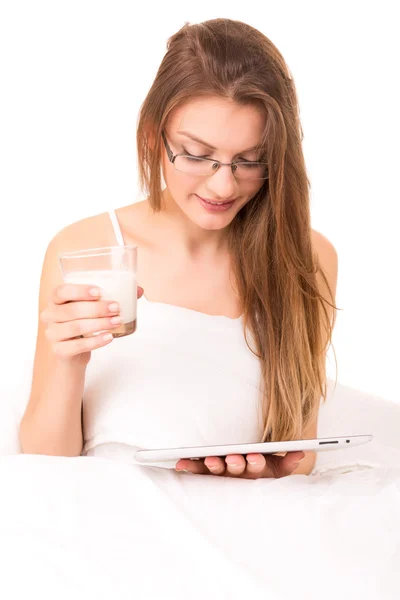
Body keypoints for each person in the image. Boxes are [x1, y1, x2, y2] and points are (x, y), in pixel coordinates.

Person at [19, 17, 338, 479]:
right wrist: (70, 360)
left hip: (243, 525)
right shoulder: (89, 248)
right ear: (153, 136)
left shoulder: (308, 259)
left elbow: (299, 453)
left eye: (252, 161)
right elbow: (45, 467)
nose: (224, 184)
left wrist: (265, 475)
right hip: (108, 517)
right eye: (195, 153)